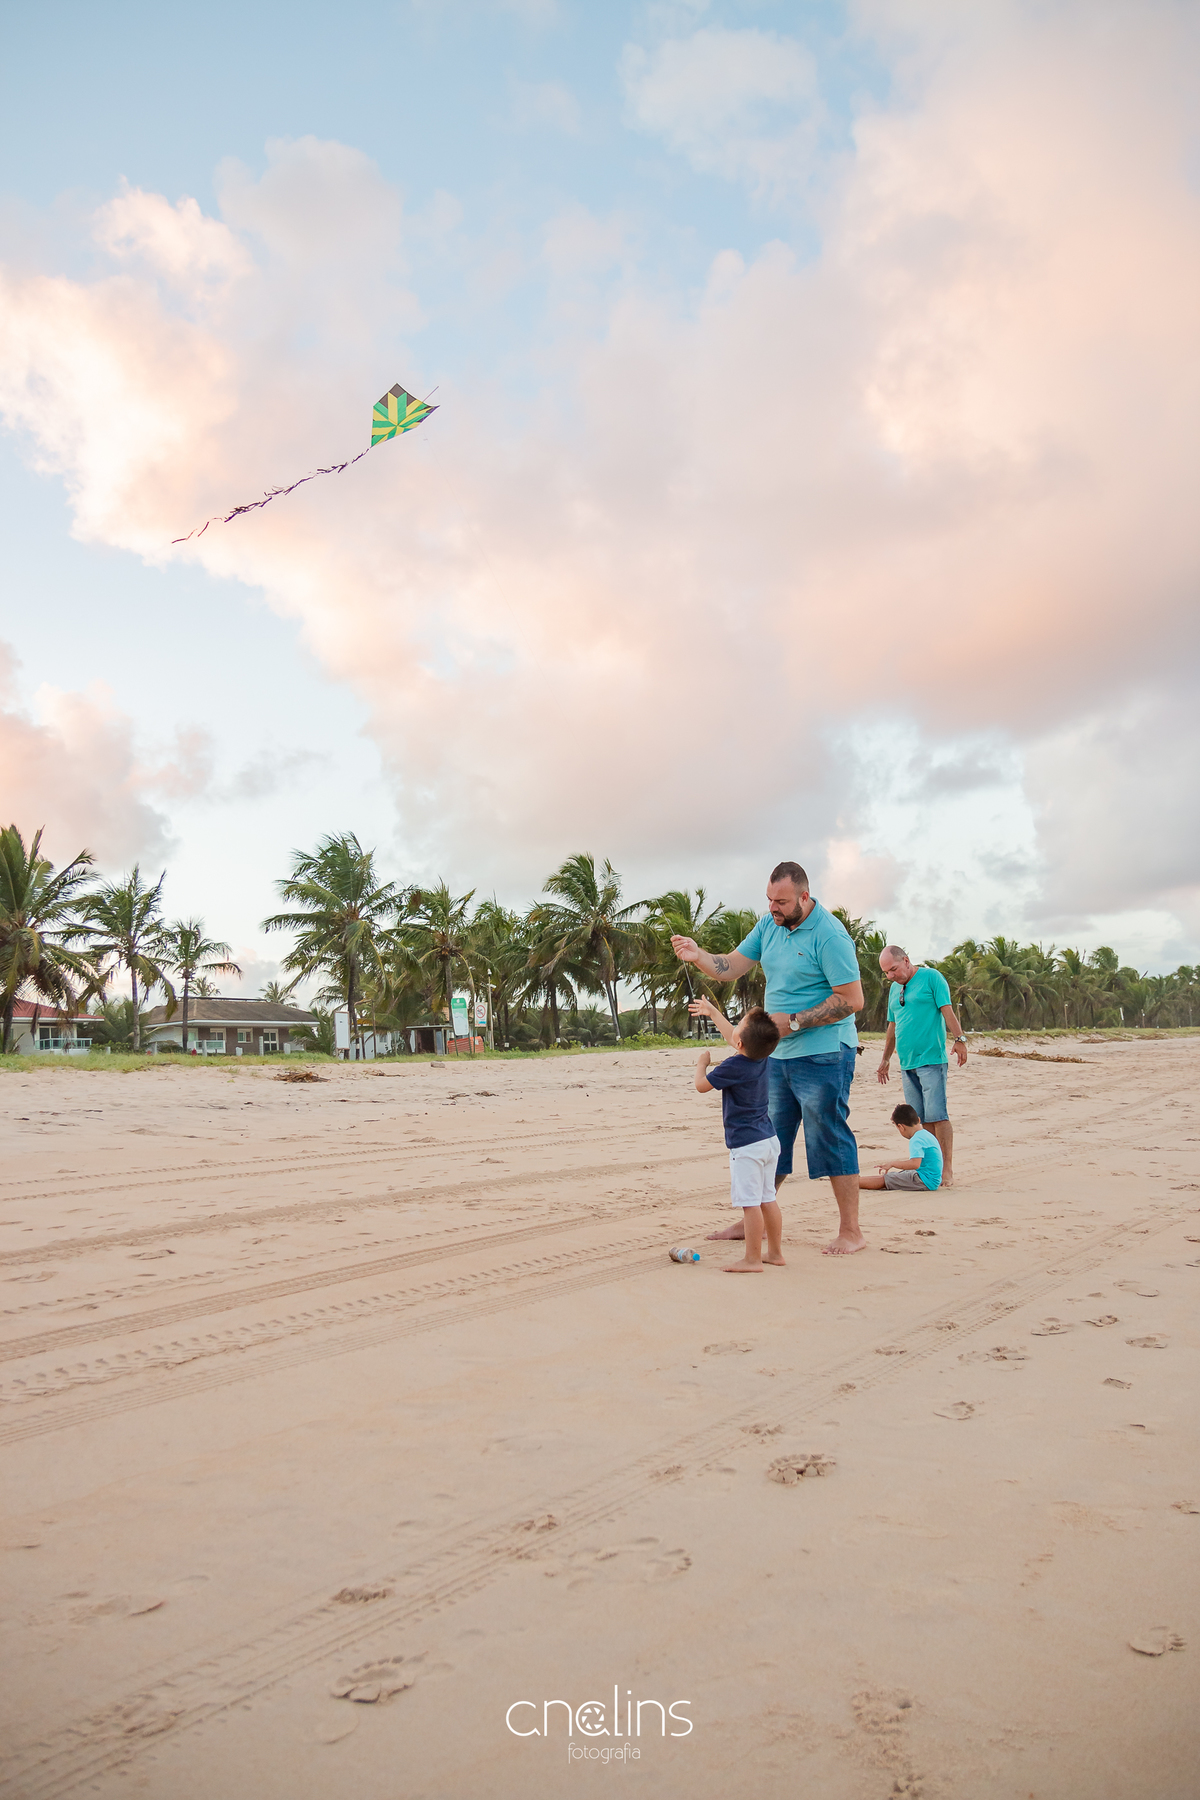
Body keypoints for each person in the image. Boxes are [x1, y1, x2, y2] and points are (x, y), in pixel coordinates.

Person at [672, 860, 865, 1256]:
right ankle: (751, 1222)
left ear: (804, 897)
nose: (773, 908)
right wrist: (699, 955)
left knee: (830, 1133)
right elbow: (731, 966)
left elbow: (853, 1000)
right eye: (769, 900)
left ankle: (851, 1232)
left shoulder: (830, 936)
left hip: (825, 1052)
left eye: (781, 901)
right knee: (768, 1136)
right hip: (775, 1055)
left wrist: (793, 1022)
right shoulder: (768, 926)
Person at [692, 1000, 783, 1273]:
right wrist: (712, 1012)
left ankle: (753, 1259)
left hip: (748, 1145)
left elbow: (701, 1086)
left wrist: (702, 1063)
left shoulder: (734, 1066)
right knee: (768, 1199)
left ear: (740, 1044)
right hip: (768, 1139)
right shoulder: (762, 1056)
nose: (735, 1031)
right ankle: (775, 1253)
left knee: (750, 1204)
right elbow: (736, 1038)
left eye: (739, 1027)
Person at [875, 946, 967, 1187]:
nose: (891, 976)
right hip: (907, 1063)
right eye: (886, 973)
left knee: (938, 1115)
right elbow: (892, 1027)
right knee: (920, 1122)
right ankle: (930, 1168)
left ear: (906, 961)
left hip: (931, 1060)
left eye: (893, 969)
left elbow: (947, 1011)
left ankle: (946, 1169)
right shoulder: (895, 989)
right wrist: (886, 1059)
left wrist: (960, 1039)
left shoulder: (932, 978)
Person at [859, 1103, 943, 1191]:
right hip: (933, 1179)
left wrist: (892, 1163)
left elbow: (915, 1164)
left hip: (924, 1180)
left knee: (886, 1179)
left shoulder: (916, 1140)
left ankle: (853, 1182)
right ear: (918, 1120)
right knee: (895, 1176)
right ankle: (859, 1180)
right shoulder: (926, 1134)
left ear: (900, 1127)